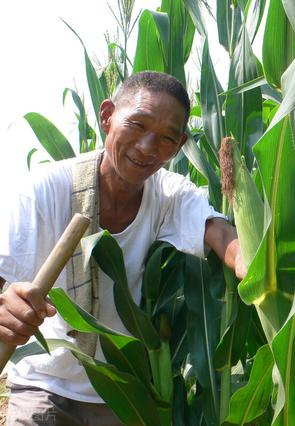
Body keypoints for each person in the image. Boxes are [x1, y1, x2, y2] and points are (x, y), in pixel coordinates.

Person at [0, 71, 245, 424]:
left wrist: (252, 266)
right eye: (138, 124)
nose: (147, 147)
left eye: (165, 138)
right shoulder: (46, 190)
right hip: (44, 385)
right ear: (106, 116)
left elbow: (220, 234)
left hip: (119, 393)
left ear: (179, 145)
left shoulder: (169, 195)